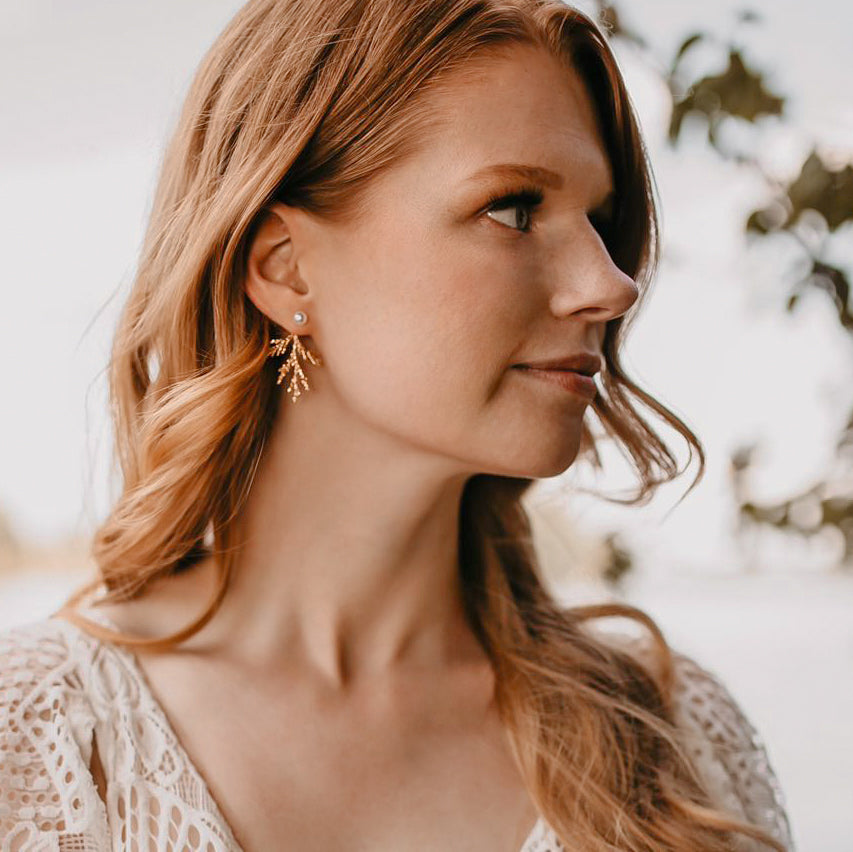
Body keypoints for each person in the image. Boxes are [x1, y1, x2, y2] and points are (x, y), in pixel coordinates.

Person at [0, 1, 794, 849]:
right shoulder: (37, 744)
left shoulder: (678, 743)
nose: (610, 285)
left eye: (599, 222)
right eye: (513, 209)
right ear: (285, 268)